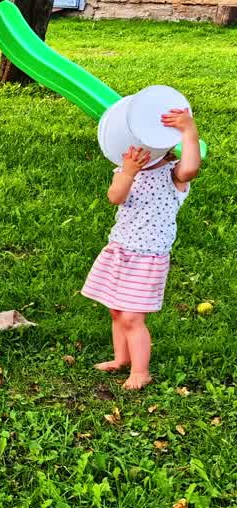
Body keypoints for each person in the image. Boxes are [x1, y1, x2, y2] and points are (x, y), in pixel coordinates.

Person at [81, 108, 201, 390]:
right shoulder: (124, 171)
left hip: (148, 257)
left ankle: (141, 371)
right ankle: (120, 359)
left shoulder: (173, 174)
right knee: (115, 310)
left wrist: (189, 131)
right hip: (120, 250)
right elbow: (115, 196)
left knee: (133, 316)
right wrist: (129, 172)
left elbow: (192, 167)